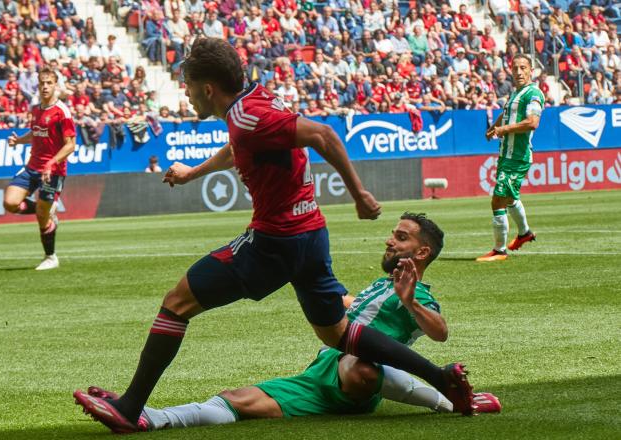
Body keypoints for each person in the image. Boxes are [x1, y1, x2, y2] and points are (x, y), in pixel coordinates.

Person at [74, 38, 475, 434]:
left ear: (208, 88)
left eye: (189, 85)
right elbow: (240, 145)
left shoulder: (249, 117)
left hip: (275, 241)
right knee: (337, 334)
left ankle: (130, 408)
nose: (187, 92)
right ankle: (441, 378)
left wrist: (359, 194)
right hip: (311, 235)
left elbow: (323, 136)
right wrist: (192, 173)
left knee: (177, 303)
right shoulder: (253, 103)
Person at [81, 213, 502, 432]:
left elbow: (440, 331)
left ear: (423, 253)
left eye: (402, 237)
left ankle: (448, 401)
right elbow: (345, 302)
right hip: (321, 374)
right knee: (235, 400)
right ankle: (148, 418)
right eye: (393, 233)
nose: (391, 240)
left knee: (359, 366)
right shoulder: (379, 284)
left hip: (356, 377)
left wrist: (411, 302)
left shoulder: (416, 292)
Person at [2, 66, 76, 270]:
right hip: (32, 166)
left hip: (53, 171)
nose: (45, 86)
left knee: (42, 216)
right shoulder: (36, 109)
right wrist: (19, 141)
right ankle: (46, 211)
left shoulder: (62, 112)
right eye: (42, 83)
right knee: (10, 203)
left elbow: (70, 145)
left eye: (49, 83)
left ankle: (50, 257)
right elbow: (36, 133)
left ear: (55, 85)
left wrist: (52, 163)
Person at [478, 54, 544, 262]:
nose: (519, 72)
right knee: (509, 197)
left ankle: (499, 250)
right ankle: (524, 234)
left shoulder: (533, 93)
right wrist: (493, 127)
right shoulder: (515, 93)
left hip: (517, 156)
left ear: (531, 71)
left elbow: (532, 122)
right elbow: (507, 113)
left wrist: (503, 129)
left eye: (523, 68)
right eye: (515, 68)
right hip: (506, 154)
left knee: (498, 199)